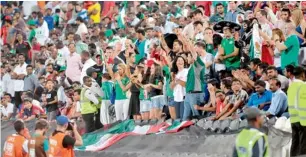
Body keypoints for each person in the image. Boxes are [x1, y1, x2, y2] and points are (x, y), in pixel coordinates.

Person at [287, 66, 306, 156]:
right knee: (303, 145)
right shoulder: (303, 86)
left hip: (293, 119)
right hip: (303, 120)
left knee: (295, 144)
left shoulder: (291, 86)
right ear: (303, 74)